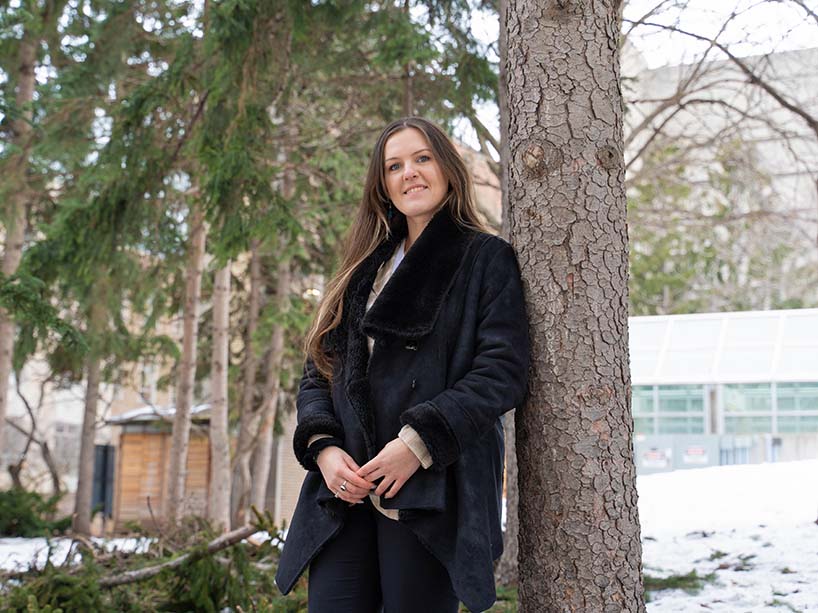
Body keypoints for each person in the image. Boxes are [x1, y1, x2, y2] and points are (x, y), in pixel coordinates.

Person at [275, 117, 530, 613]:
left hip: (431, 489)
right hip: (346, 490)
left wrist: (417, 444)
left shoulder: (485, 259)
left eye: (422, 159)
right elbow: (319, 370)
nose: (408, 173)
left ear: (448, 169)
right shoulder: (363, 267)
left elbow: (502, 372)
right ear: (383, 185)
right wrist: (324, 450)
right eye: (394, 166)